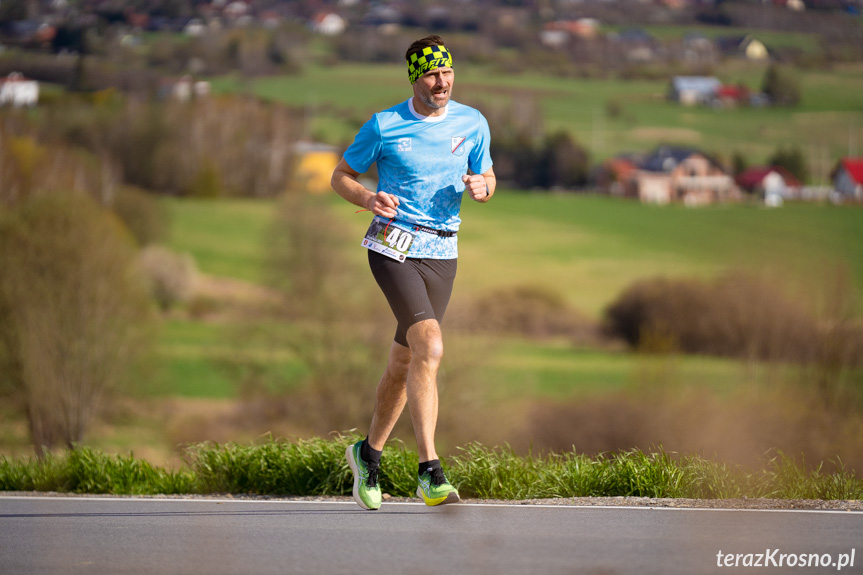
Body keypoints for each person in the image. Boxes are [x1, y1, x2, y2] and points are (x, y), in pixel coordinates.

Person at [331, 35, 495, 510]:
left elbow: (487, 174)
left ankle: (367, 454)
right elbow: (340, 174)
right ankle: (429, 471)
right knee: (431, 345)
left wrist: (484, 185)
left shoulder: (473, 122)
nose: (441, 81)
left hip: (444, 252)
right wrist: (367, 197)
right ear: (414, 78)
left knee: (406, 363)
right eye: (431, 73)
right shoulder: (384, 126)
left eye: (446, 72)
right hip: (392, 246)